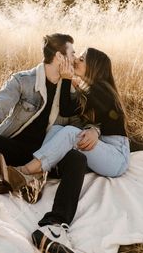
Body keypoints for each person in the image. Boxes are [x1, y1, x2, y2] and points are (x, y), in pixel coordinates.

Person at [0, 33, 87, 253]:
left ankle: (54, 227)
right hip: (15, 150)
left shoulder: (70, 90)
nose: (75, 57)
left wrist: (94, 131)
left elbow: (79, 123)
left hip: (45, 157)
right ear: (60, 56)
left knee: (77, 159)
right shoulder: (23, 80)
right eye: (72, 53)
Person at [13, 48, 131, 184]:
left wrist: (67, 79)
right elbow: (69, 109)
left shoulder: (100, 91)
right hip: (106, 149)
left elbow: (66, 109)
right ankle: (38, 174)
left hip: (116, 158)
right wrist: (69, 81)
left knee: (70, 133)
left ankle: (26, 170)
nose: (75, 60)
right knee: (56, 129)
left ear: (93, 66)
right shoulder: (93, 90)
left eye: (81, 59)